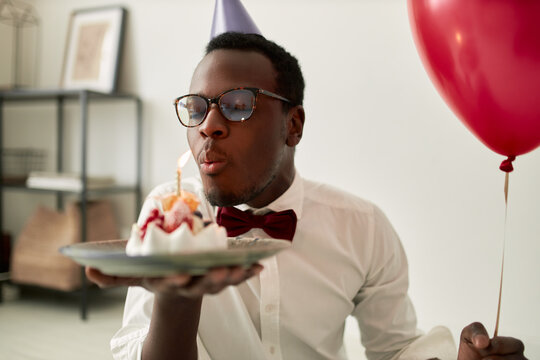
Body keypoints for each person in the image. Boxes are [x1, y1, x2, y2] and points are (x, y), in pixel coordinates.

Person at [87, 32, 527, 360]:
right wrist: (176, 297)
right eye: (197, 109)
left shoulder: (362, 226)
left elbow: (396, 350)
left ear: (293, 125)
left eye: (239, 104)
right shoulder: (169, 218)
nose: (208, 126)